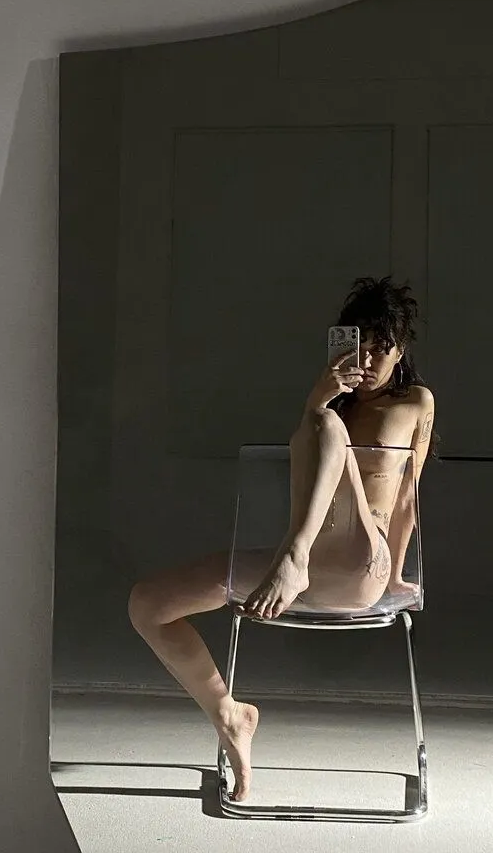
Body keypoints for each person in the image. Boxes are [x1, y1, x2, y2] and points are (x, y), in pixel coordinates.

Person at [127, 276, 436, 802]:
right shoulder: (332, 402)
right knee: (148, 604)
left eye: (380, 348)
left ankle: (293, 558)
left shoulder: (415, 403)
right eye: (358, 344)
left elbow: (408, 497)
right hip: (306, 563)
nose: (367, 361)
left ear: (400, 350)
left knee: (326, 426)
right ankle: (230, 715)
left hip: (362, 565)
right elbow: (306, 458)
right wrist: (320, 396)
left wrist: (400, 576)